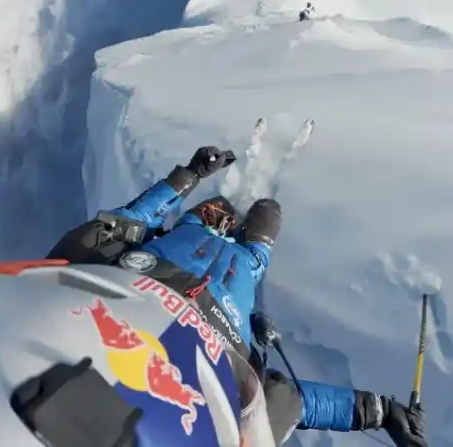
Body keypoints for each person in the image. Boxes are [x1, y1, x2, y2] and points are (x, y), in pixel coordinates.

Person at [47, 145, 429, 447]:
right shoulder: (225, 423)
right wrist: (380, 411)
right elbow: (292, 402)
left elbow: (115, 227)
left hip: (172, 260)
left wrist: (187, 176)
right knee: (267, 218)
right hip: (236, 277)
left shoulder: (70, 302)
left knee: (238, 218)